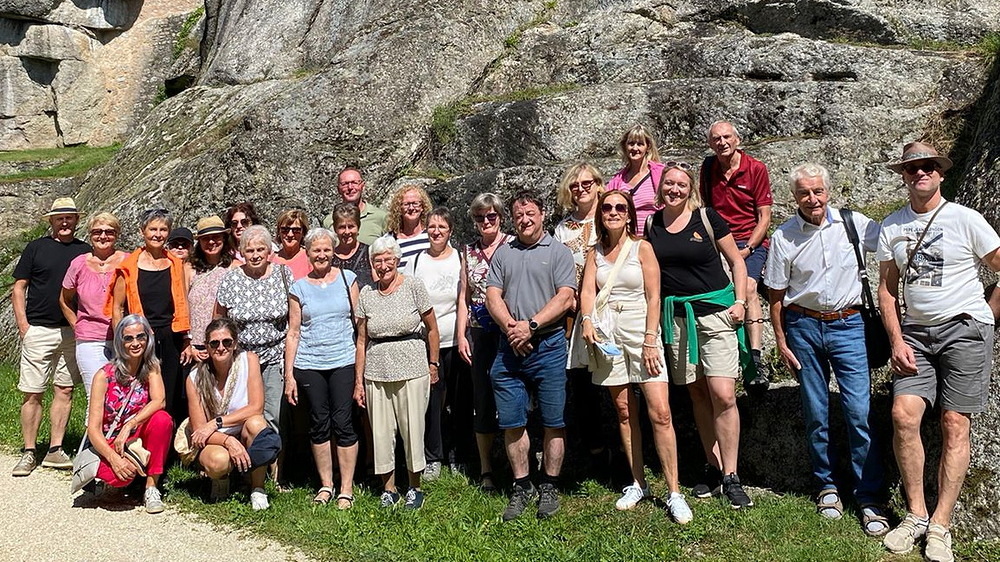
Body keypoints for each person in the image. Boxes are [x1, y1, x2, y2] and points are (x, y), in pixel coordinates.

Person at [877, 142, 1000, 562]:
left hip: (964, 330)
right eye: (912, 168)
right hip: (915, 334)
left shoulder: (965, 218)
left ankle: (940, 525)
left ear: (941, 173)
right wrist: (896, 340)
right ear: (904, 176)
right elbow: (887, 289)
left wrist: (988, 314)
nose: (920, 173)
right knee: (903, 415)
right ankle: (915, 514)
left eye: (928, 166)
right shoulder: (892, 225)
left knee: (954, 423)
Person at [765, 163, 886, 534]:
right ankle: (827, 487)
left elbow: (894, 243)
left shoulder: (854, 223)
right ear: (794, 196)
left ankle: (868, 496)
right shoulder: (784, 236)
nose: (812, 199)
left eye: (817, 191)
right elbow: (775, 296)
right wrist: (781, 341)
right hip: (802, 327)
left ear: (828, 191)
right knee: (816, 412)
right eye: (804, 193)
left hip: (850, 326)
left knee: (858, 411)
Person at [647, 163, 754, 509]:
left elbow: (737, 261)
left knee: (723, 394)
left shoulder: (707, 218)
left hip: (716, 314)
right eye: (669, 183)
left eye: (681, 184)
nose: (674, 189)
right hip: (678, 319)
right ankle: (713, 465)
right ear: (660, 187)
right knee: (697, 394)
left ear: (690, 189)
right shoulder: (651, 224)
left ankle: (732, 474)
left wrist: (740, 301)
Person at [579, 190, 691, 522]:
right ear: (600, 214)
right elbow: (587, 291)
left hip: (641, 330)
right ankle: (637, 482)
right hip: (609, 333)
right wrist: (587, 320)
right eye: (607, 207)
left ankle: (674, 491)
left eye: (620, 207)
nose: (613, 212)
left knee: (661, 412)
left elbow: (654, 296)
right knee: (625, 411)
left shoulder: (642, 248)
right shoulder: (595, 252)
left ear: (629, 214)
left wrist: (650, 340)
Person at [486, 190, 576, 521]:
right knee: (512, 422)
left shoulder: (559, 252)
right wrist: (513, 328)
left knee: (554, 421)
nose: (524, 220)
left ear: (542, 215)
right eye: (518, 215)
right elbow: (492, 295)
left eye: (530, 214)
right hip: (510, 347)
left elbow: (565, 297)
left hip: (548, 345)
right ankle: (522, 485)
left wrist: (531, 326)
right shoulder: (504, 253)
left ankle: (549, 485)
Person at [354, 235, 440, 510]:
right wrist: (358, 381)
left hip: (412, 366)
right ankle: (388, 489)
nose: (383, 266)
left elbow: (432, 328)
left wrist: (433, 363)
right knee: (380, 432)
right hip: (377, 370)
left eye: (387, 259)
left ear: (397, 260)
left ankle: (415, 487)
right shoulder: (367, 294)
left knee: (413, 428)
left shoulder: (413, 286)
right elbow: (361, 340)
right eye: (377, 261)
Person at [11, 197, 90, 476]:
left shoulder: (85, 251)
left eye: (69, 217)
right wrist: (23, 325)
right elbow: (19, 287)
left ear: (76, 220)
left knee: (65, 390)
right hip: (39, 329)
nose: (65, 222)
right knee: (32, 392)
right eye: (60, 218)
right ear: (52, 222)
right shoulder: (36, 248)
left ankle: (55, 449)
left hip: (71, 331)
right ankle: (29, 451)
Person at [284, 228, 361, 509]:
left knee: (343, 422)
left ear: (334, 251)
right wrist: (289, 375)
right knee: (318, 423)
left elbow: (359, 324)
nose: (322, 255)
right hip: (309, 363)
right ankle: (326, 485)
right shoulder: (299, 288)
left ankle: (346, 487)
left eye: (327, 249)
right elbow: (293, 332)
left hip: (344, 360)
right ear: (307, 253)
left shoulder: (348, 279)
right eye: (316, 250)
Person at [700, 121, 773, 387]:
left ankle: (755, 357)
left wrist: (748, 249)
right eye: (716, 139)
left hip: (749, 239)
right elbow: (706, 206)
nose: (722, 142)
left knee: (749, 287)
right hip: (719, 239)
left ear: (737, 139)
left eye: (727, 137)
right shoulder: (708, 167)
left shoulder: (755, 168)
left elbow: (764, 217)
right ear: (710, 144)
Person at [552, 162, 612, 478]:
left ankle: (630, 451)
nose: (581, 189)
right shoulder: (563, 229)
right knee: (582, 384)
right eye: (575, 185)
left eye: (586, 183)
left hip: (612, 309)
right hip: (575, 315)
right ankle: (597, 451)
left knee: (619, 380)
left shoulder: (612, 215)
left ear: (599, 184)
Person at [107, 208, 192, 422]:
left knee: (170, 392)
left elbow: (182, 301)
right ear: (142, 231)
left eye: (163, 229)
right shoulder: (128, 267)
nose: (158, 234)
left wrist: (186, 339)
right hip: (140, 337)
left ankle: (168, 438)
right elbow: (117, 308)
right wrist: (121, 342)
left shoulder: (175, 263)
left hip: (170, 336)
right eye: (153, 229)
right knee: (142, 391)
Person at [85, 314, 173, 514]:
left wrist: (130, 424)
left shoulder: (151, 368)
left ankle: (151, 486)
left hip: (135, 436)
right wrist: (113, 458)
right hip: (112, 441)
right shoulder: (104, 376)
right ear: (120, 342)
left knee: (163, 419)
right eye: (129, 338)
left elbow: (159, 401)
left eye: (140, 337)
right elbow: (93, 429)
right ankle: (115, 483)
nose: (135, 343)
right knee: (122, 475)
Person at [185, 317, 274, 510]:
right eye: (214, 343)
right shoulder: (194, 378)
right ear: (207, 347)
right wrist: (228, 441)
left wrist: (216, 422)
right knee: (218, 461)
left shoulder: (249, 360)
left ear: (235, 344)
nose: (221, 348)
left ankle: (257, 487)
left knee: (257, 423)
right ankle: (222, 478)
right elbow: (200, 430)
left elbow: (256, 407)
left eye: (227, 342)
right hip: (214, 440)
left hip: (243, 431)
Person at [404, 207, 465, 480]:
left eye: (442, 227)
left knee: (460, 400)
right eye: (432, 227)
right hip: (427, 343)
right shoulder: (417, 261)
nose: (436, 232)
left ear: (450, 230)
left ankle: (459, 454)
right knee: (432, 402)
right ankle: (433, 456)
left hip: (456, 339)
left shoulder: (460, 259)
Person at [456, 193, 512, 493]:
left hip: (510, 329)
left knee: (516, 394)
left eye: (491, 216)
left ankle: (520, 463)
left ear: (500, 217)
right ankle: (486, 468)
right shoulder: (469, 251)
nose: (486, 221)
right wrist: (461, 335)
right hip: (480, 331)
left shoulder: (513, 245)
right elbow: (464, 296)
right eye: (480, 217)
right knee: (483, 398)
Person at [215, 225, 293, 429]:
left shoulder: (284, 274)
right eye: (250, 250)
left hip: (275, 357)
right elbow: (219, 320)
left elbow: (294, 318)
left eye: (260, 249)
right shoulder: (231, 279)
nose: (255, 255)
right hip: (242, 360)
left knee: (274, 415)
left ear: (269, 251)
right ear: (242, 253)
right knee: (245, 415)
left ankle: (274, 451)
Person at [60, 212, 127, 401]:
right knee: (96, 396)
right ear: (90, 234)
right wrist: (77, 325)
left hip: (125, 339)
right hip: (90, 339)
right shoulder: (79, 264)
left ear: (117, 234)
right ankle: (94, 423)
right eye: (97, 232)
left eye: (109, 232)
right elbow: (64, 299)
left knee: (123, 395)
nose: (103, 236)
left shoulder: (128, 261)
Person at [185, 216, 236, 362]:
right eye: (206, 238)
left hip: (225, 346)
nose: (211, 242)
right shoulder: (189, 268)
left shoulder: (235, 267)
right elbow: (182, 305)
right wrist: (187, 342)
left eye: (216, 237)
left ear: (224, 238)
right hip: (196, 347)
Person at [606, 125, 665, 237]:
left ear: (648, 147)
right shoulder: (618, 180)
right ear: (625, 146)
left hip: (655, 237)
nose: (635, 148)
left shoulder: (660, 173)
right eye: (631, 143)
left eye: (640, 144)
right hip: (627, 239)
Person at [321, 167, 388, 245]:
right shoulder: (329, 221)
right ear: (338, 189)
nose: (350, 187)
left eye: (354, 183)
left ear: (362, 186)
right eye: (345, 184)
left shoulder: (381, 217)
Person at [385, 183, 432, 270]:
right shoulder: (389, 240)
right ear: (399, 208)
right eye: (406, 204)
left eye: (415, 203)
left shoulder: (433, 234)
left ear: (422, 207)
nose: (411, 208)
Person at [329, 203, 373, 286]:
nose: (347, 232)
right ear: (335, 228)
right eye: (342, 227)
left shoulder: (369, 253)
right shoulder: (329, 257)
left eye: (351, 227)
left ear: (358, 226)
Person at [272, 209, 312, 280]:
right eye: (285, 229)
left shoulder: (311, 258)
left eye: (296, 230)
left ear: (303, 232)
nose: (290, 234)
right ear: (279, 232)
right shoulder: (270, 260)